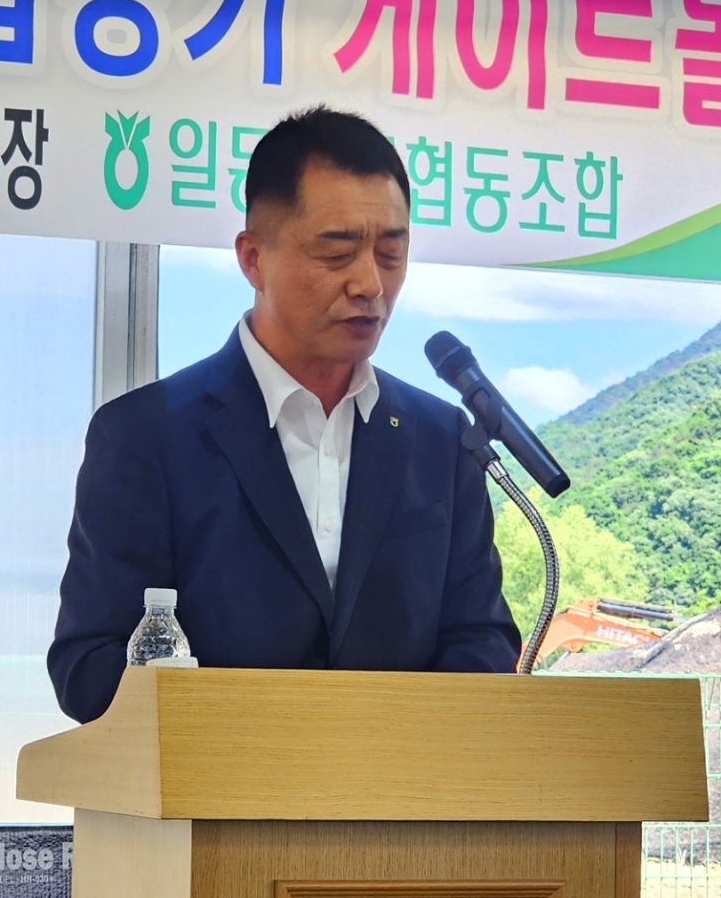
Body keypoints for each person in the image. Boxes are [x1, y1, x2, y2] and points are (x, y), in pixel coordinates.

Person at [47, 106, 521, 723]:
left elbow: (481, 640)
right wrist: (273, 734)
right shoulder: (146, 436)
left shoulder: (441, 440)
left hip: (399, 781)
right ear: (253, 259)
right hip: (215, 779)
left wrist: (392, 741)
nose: (370, 284)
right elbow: (87, 668)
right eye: (336, 252)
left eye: (391, 253)